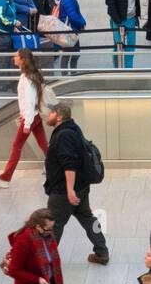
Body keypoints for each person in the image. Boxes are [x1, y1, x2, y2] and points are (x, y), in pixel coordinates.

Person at [44, 102, 110, 265]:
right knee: (87, 217)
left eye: (51, 112)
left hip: (64, 191)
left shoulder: (64, 135)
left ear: (58, 116)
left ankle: (46, 261)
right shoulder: (73, 129)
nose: (47, 115)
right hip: (81, 186)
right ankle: (102, 252)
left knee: (53, 223)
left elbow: (69, 164)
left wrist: (69, 190)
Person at [0, 48, 55, 188]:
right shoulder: (29, 75)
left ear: (23, 60)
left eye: (16, 56)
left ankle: (5, 178)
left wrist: (27, 123)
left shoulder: (27, 78)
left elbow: (30, 101)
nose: (14, 58)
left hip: (31, 118)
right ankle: (57, 168)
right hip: (34, 116)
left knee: (17, 146)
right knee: (44, 144)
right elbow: (29, 101)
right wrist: (26, 115)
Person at [106, 0, 142, 70]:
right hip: (118, 20)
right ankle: (118, 69)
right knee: (119, 46)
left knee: (131, 47)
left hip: (131, 18)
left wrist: (136, 16)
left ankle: (128, 69)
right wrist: (119, 23)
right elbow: (110, 5)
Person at [54, 0, 87, 72]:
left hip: (70, 30)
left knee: (74, 54)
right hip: (68, 30)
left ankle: (72, 73)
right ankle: (67, 75)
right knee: (68, 55)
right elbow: (72, 15)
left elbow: (76, 13)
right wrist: (82, 23)